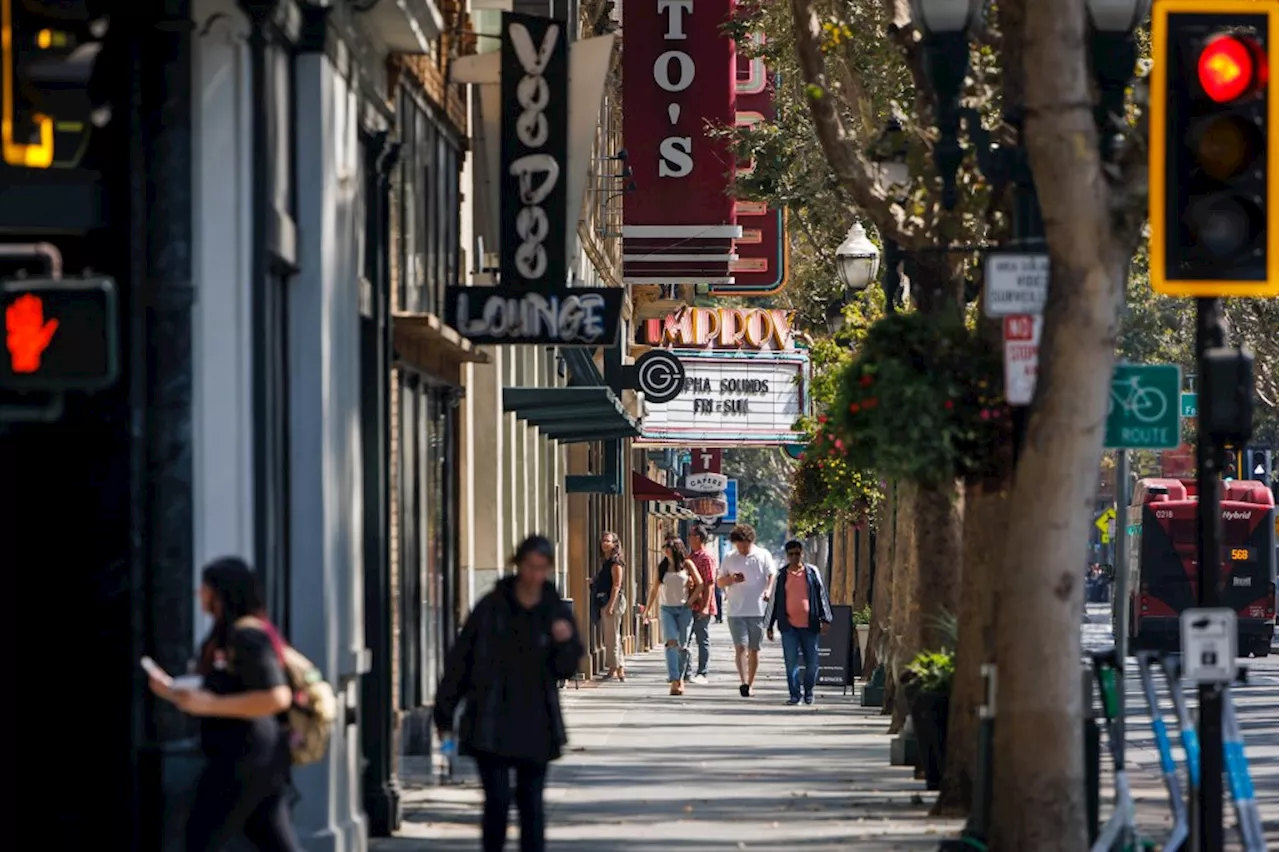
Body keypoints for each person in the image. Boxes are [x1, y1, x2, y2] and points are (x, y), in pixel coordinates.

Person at [434, 535, 584, 852]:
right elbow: (461, 660)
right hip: (491, 717)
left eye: (542, 568)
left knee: (531, 805)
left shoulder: (553, 610)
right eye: (530, 567)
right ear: (518, 565)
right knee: (497, 802)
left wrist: (564, 642)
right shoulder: (492, 606)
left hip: (535, 720)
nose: (535, 575)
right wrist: (444, 711)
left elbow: (566, 668)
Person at [146, 557, 301, 852]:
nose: (198, 593)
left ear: (221, 592)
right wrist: (170, 690)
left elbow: (277, 696)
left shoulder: (247, 636)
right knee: (273, 839)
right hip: (249, 756)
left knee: (200, 840)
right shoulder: (222, 636)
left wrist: (211, 706)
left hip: (245, 756)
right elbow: (209, 692)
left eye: (204, 587)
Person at [766, 540, 834, 705]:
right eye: (791, 554)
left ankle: (809, 691)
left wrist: (826, 618)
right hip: (788, 626)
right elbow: (773, 601)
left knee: (812, 663)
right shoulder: (781, 576)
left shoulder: (812, 572)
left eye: (798, 553)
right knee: (791, 663)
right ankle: (795, 695)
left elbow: (822, 595)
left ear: (802, 553)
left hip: (810, 626)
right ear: (787, 556)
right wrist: (769, 625)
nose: (795, 557)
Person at [717, 523, 777, 697]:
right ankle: (743, 682)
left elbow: (771, 574)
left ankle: (751, 682)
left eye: (744, 545)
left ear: (751, 541)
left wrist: (768, 590)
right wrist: (731, 579)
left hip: (758, 609)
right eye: (738, 545)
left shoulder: (763, 554)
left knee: (754, 649)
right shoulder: (730, 557)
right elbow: (719, 582)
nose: (742, 549)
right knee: (740, 647)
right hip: (736, 610)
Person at [643, 537, 704, 695]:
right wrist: (647, 609)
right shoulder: (662, 567)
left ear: (677, 548)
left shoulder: (687, 564)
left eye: (669, 546)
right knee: (671, 642)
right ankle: (674, 679)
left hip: (684, 609)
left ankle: (681, 678)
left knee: (683, 645)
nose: (666, 549)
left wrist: (690, 601)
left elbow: (701, 583)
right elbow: (654, 589)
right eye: (665, 546)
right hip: (667, 609)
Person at [683, 524, 717, 684]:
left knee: (702, 639)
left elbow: (710, 583)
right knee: (686, 639)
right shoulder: (690, 557)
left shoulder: (706, 558)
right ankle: (686, 672)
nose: (689, 538)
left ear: (698, 538)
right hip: (689, 603)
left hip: (701, 605)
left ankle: (702, 671)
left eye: (690, 536)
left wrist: (705, 606)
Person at [592, 530, 626, 681]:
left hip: (613, 601)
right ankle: (619, 669)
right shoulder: (606, 562)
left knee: (611, 636)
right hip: (606, 600)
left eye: (608, 541)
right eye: (603, 541)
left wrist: (611, 605)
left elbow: (616, 585)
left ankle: (613, 669)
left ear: (614, 544)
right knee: (613, 636)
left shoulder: (615, 562)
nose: (605, 543)